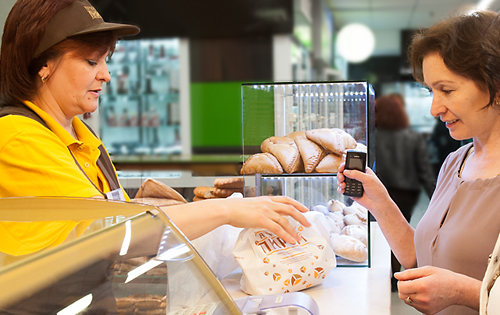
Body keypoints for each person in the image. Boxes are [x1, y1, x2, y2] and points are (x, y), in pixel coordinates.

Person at [0, 0, 310, 258]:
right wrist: (225, 211)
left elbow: (117, 223)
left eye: (106, 60)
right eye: (91, 61)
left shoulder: (82, 136)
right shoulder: (19, 136)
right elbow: (109, 232)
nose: (106, 75)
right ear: (43, 65)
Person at [338, 10, 500, 315]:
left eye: (447, 90)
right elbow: (423, 258)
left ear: (495, 84)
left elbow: (455, 284)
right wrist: (380, 202)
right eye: (430, 91)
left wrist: (464, 293)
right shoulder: (455, 163)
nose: (434, 108)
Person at [375, 93, 436, 291]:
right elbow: (424, 171)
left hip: (380, 191)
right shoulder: (413, 137)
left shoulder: (374, 137)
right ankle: (395, 275)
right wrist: (437, 200)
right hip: (406, 193)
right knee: (399, 231)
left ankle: (380, 272)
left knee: (381, 231)